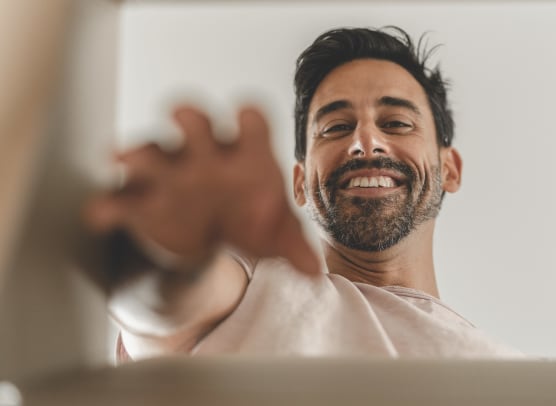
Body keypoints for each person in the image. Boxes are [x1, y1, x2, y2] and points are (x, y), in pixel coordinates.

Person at [86, 27, 522, 361]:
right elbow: (156, 307)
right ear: (301, 182)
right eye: (335, 127)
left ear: (449, 169)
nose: (364, 142)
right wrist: (174, 247)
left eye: (396, 123)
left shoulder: (517, 377)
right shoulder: (255, 286)